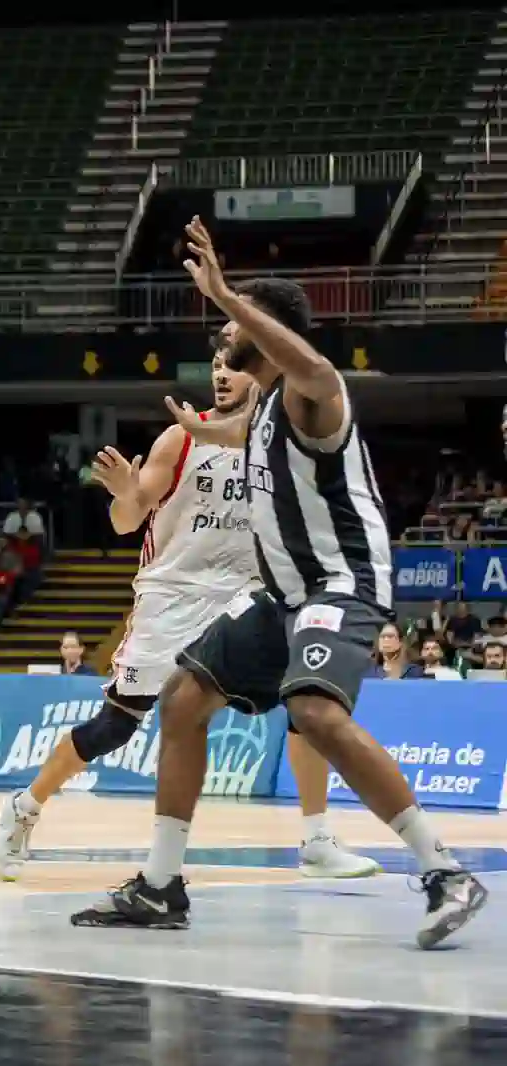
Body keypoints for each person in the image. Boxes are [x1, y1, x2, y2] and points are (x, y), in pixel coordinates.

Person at [70, 220, 486, 948]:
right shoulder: (259, 414)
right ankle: (161, 886)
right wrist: (182, 441)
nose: (224, 338)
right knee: (183, 700)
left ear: (267, 334)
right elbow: (237, 436)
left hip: (341, 585)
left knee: (316, 714)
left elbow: (313, 372)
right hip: (285, 594)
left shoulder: (315, 395)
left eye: (234, 327)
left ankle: (445, 871)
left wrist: (231, 293)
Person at [0, 334, 376, 882]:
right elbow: (128, 521)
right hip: (171, 596)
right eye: (216, 366)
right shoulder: (181, 437)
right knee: (114, 728)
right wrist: (125, 491)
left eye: (234, 366)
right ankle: (23, 808)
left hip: (241, 594)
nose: (222, 374)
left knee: (303, 696)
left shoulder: (273, 439)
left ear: (259, 374)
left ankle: (316, 837)